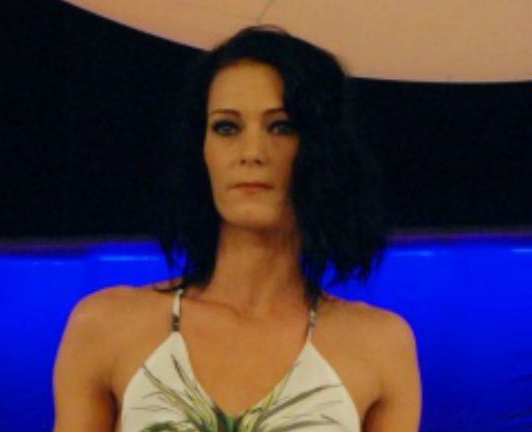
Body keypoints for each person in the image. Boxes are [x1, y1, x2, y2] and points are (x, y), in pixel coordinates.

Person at [53, 25, 421, 431]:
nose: (251, 153)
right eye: (226, 127)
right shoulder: (105, 327)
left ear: (323, 149)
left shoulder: (380, 347)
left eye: (281, 126)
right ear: (201, 150)